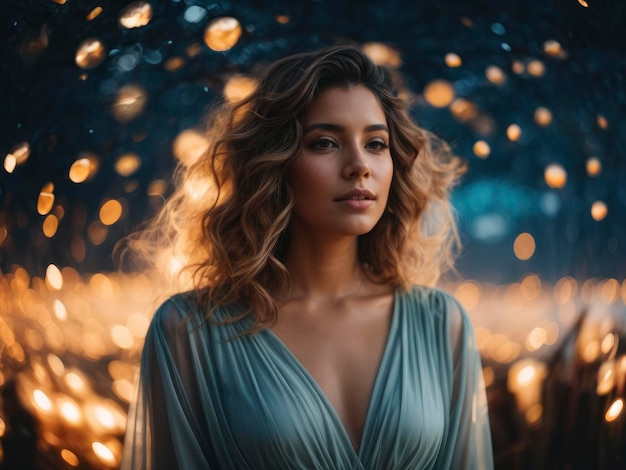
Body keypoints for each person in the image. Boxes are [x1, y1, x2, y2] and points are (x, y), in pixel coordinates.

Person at [121, 45, 493, 469]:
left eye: (375, 143)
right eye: (325, 143)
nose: (359, 166)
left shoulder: (441, 324)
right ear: (274, 163)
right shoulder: (188, 332)